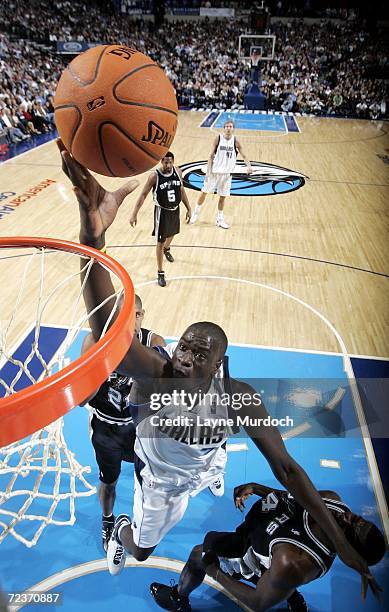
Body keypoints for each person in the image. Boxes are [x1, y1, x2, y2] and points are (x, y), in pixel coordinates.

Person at [57, 138, 380, 600]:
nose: (185, 355)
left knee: (216, 451)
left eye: (199, 353)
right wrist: (92, 239)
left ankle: (213, 465)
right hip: (162, 482)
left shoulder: (238, 397)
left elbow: (288, 471)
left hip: (201, 458)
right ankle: (122, 529)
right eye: (184, 346)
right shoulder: (159, 374)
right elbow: (107, 324)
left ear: (219, 366)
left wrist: (347, 550)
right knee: (143, 550)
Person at [150, 482, 385, 612]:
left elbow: (257, 603)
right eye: (355, 518)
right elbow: (293, 495)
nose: (345, 517)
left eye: (348, 528)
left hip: (250, 552)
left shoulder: (295, 561)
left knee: (197, 555)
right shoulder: (333, 500)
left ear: (345, 549)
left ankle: (178, 599)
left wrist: (215, 573)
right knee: (280, 578)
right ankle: (289, 595)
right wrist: (258, 488)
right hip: (264, 537)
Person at [81, 294, 165, 552]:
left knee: (147, 482)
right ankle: (108, 521)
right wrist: (99, 368)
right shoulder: (96, 341)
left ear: (142, 315)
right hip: (106, 429)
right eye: (124, 316)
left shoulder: (155, 343)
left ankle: (140, 524)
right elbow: (82, 398)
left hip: (140, 429)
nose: (132, 321)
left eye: (136, 315)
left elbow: (165, 392)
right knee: (109, 482)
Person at [129, 151, 191, 287]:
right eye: (165, 162)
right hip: (162, 212)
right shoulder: (154, 176)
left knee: (173, 233)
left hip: (175, 209)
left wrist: (189, 207)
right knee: (160, 241)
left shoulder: (178, 172)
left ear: (173, 161)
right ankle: (160, 272)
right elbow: (143, 195)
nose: (168, 165)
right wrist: (134, 213)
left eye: (170, 162)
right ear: (161, 162)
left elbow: (181, 190)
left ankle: (167, 249)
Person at [190, 120, 252, 229]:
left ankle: (220, 219)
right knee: (204, 192)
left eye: (230, 126)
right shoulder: (218, 138)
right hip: (214, 172)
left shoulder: (235, 141)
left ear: (233, 129)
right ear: (224, 128)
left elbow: (244, 155)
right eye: (227, 126)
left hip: (227, 174)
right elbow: (211, 156)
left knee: (222, 197)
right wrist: (208, 172)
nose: (228, 128)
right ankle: (195, 213)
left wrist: (249, 166)